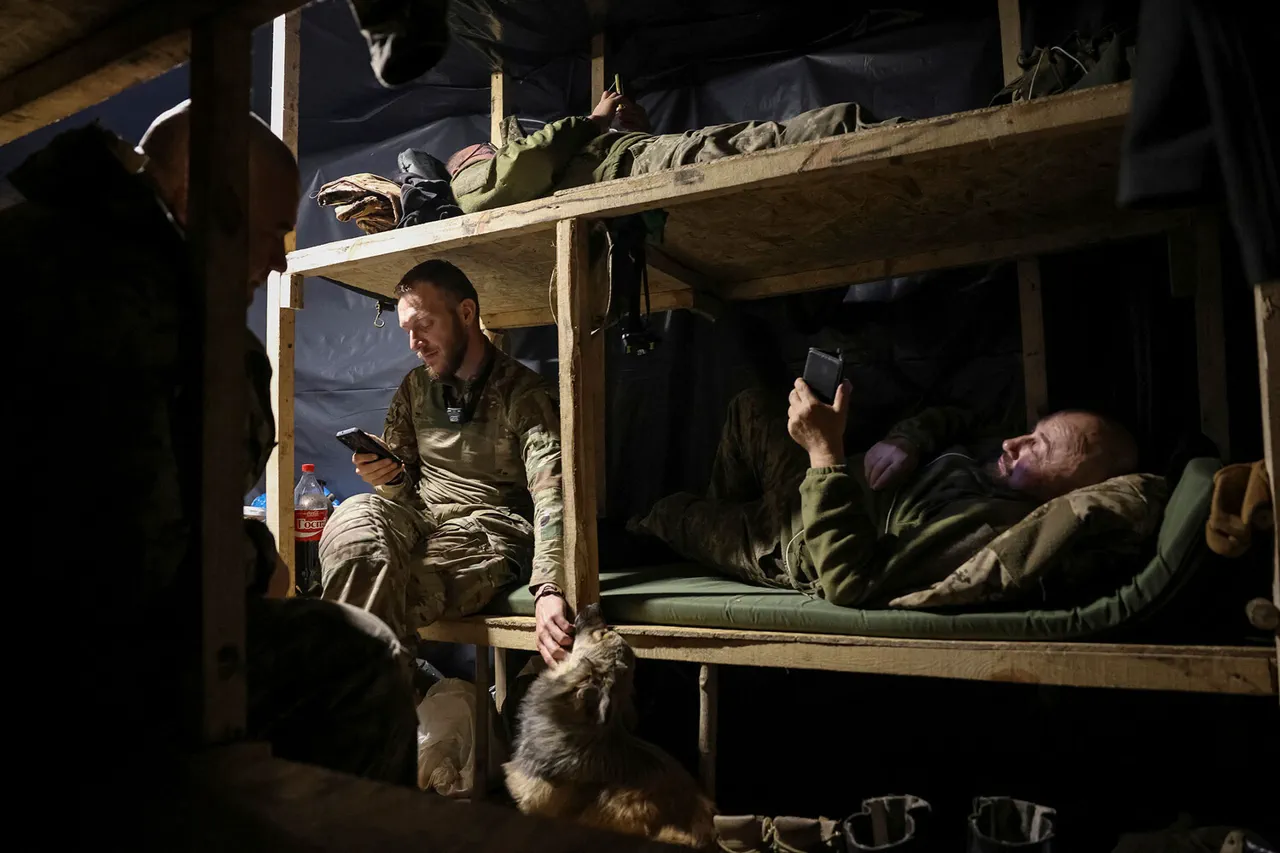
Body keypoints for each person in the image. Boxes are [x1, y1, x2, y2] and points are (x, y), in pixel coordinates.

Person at [7, 102, 418, 785]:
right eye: (271, 232)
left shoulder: (65, 243)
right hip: (66, 658)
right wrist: (256, 563)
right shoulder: (117, 294)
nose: (278, 262)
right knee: (362, 660)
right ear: (195, 198)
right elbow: (128, 561)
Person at [631, 379, 1140, 607]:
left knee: (670, 512)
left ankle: (700, 536)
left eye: (1039, 447)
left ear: (1072, 489)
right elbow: (958, 416)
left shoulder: (985, 525)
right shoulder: (1002, 463)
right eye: (1032, 431)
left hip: (801, 538)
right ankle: (722, 537)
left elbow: (850, 581)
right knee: (750, 405)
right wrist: (908, 440)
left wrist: (825, 452)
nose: (1014, 443)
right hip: (819, 480)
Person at [319, 259, 573, 667]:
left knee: (398, 586)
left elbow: (552, 491)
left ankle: (368, 696)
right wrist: (387, 476)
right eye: (407, 330)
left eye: (424, 325)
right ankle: (374, 691)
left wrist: (549, 586)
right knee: (353, 520)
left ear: (466, 313)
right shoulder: (416, 388)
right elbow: (402, 488)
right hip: (421, 517)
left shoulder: (524, 394)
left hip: (491, 528)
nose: (414, 343)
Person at [446, 90, 886, 213]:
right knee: (771, 141)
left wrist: (630, 133)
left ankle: (878, 133)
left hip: (638, 164)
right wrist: (594, 123)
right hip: (636, 170)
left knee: (757, 142)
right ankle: (887, 135)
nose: (495, 149)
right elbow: (525, 164)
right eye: (485, 149)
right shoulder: (466, 182)